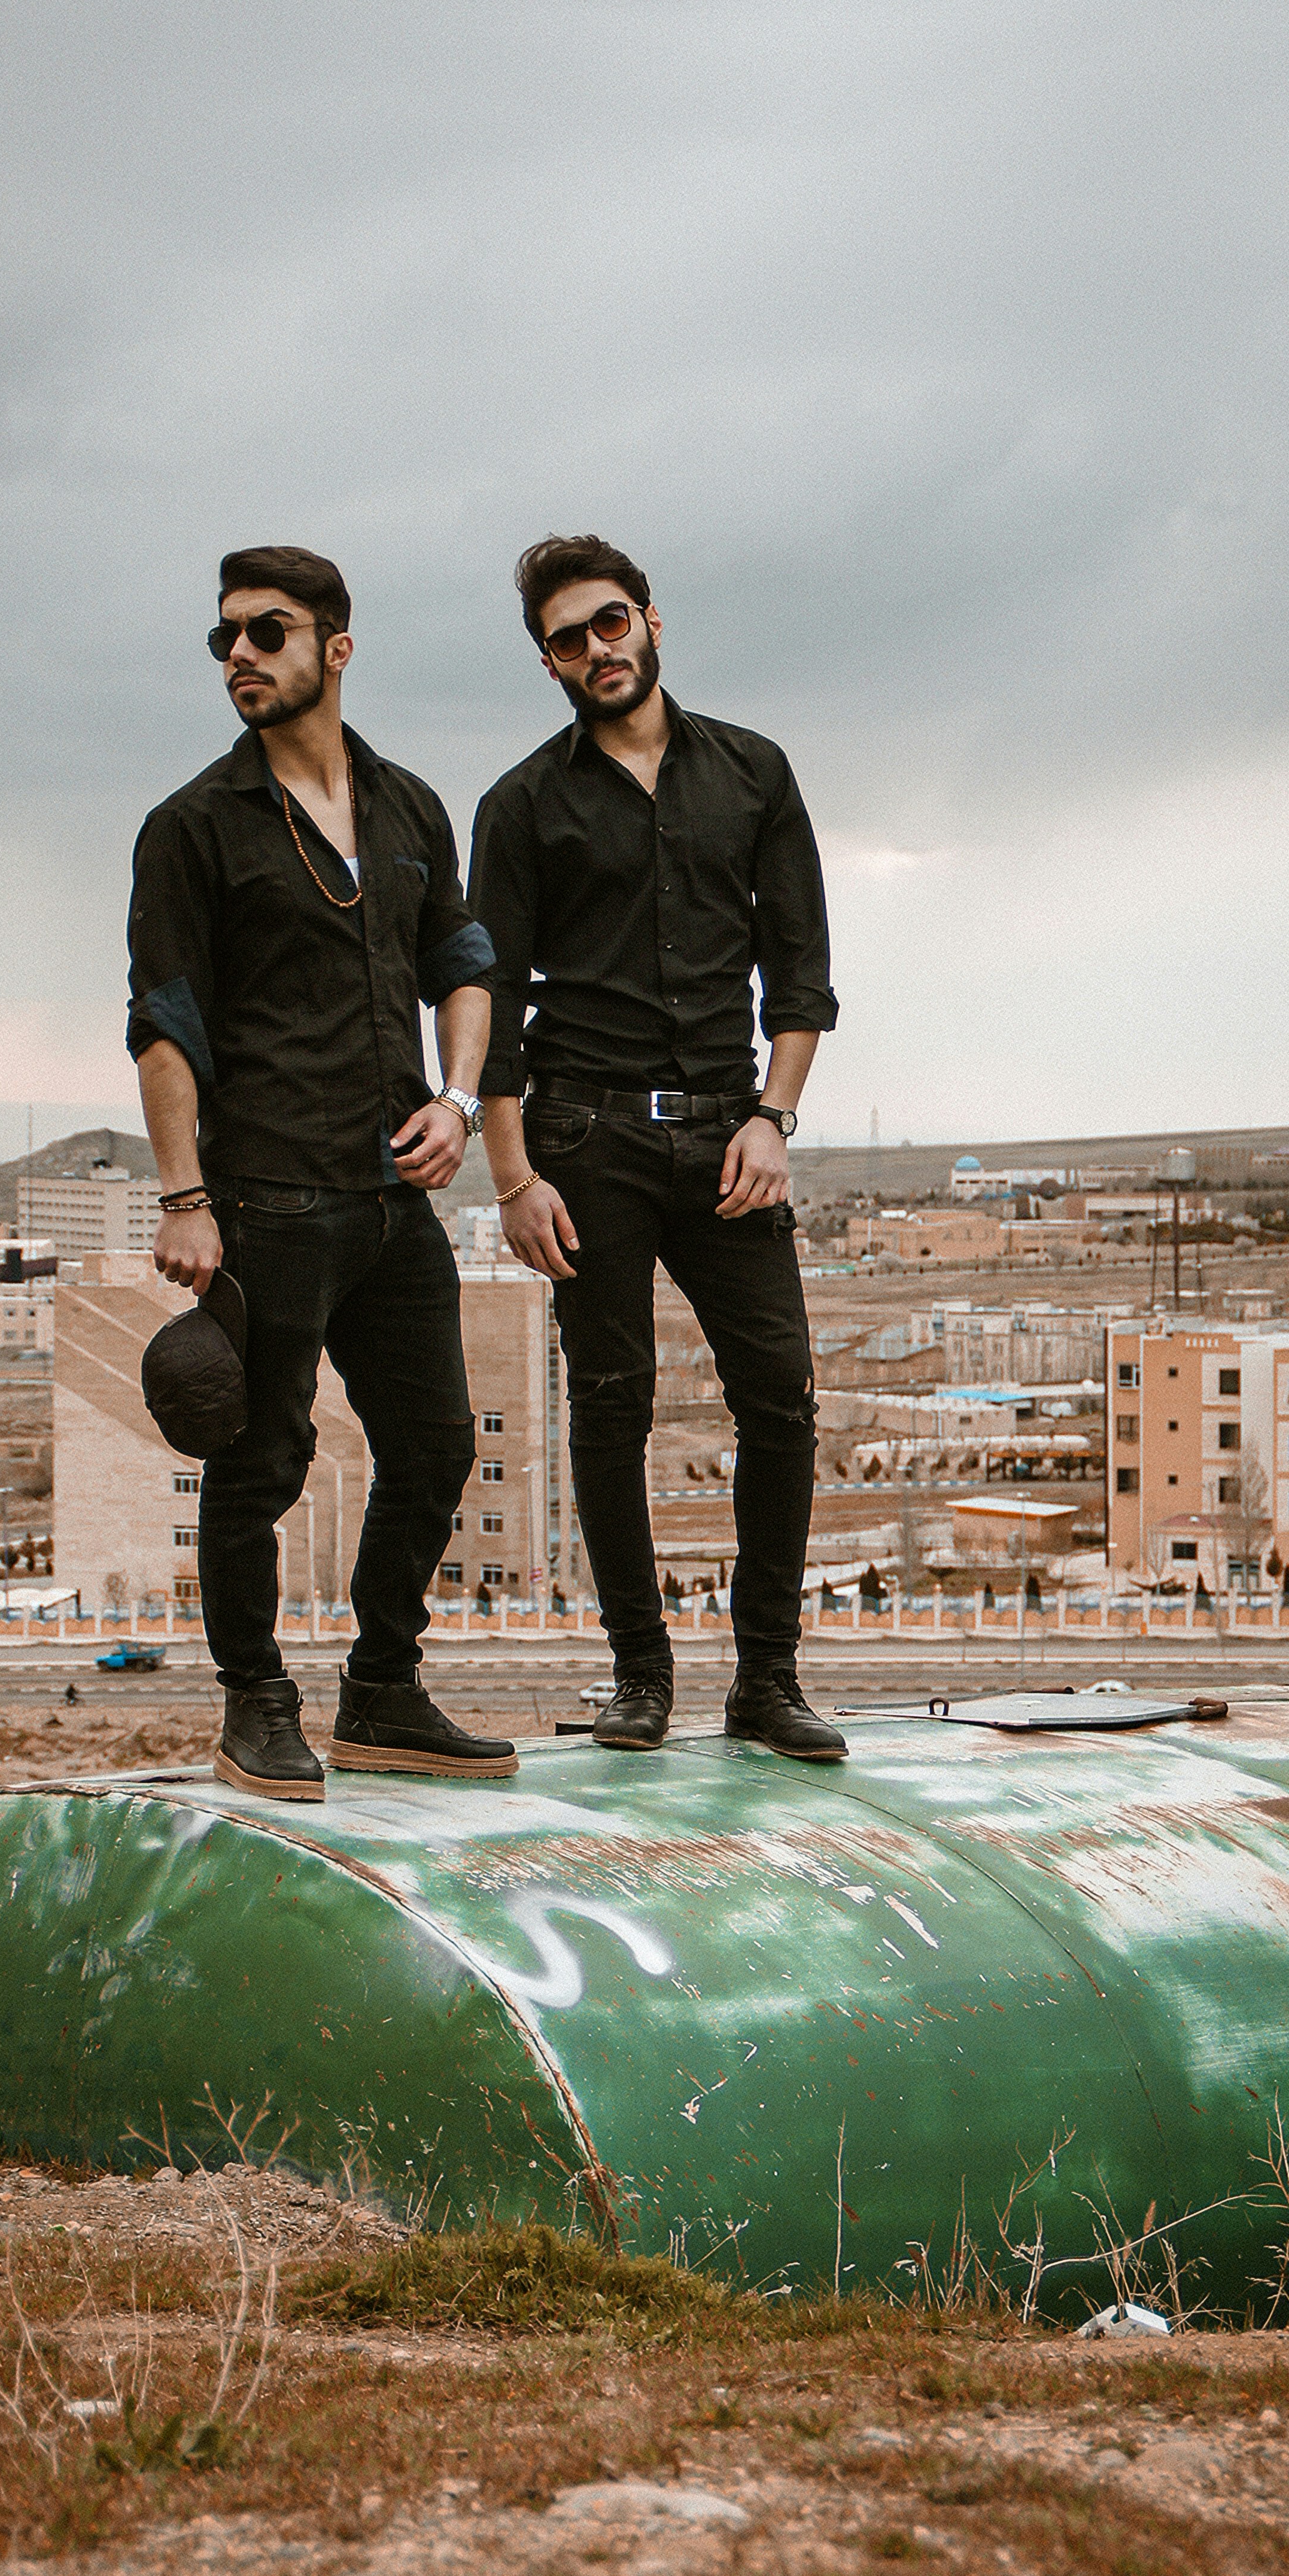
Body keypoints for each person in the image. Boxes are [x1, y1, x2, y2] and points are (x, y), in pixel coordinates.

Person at [127, 543, 516, 1799]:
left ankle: (384, 1691)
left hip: (397, 1198)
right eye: (225, 635)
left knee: (439, 1444)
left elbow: (464, 958)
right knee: (263, 1461)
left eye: (268, 631)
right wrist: (185, 1197)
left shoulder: (409, 806)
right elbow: (165, 1021)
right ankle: (255, 1699)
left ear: (335, 650)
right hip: (263, 1197)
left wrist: (457, 1102)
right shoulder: (192, 827)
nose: (239, 653)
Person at [468, 534, 846, 1762]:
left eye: (611, 622)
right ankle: (640, 1675)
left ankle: (768, 1681)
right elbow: (490, 1002)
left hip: (730, 1135)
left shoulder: (752, 772)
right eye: (569, 638)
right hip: (586, 1139)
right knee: (612, 1410)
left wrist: (773, 1120)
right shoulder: (521, 805)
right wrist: (513, 1175)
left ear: (652, 623)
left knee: (780, 1396)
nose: (597, 649)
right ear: (549, 662)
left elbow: (801, 975)